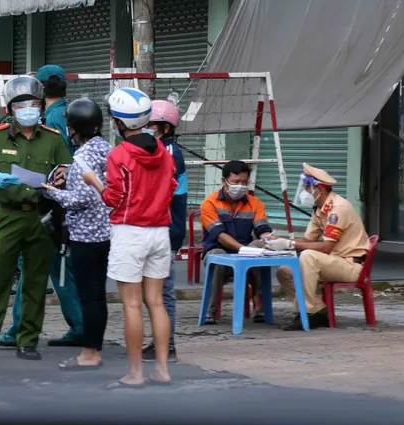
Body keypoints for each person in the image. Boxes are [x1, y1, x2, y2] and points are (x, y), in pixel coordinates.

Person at [0, 76, 73, 362]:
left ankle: (27, 341)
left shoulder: (52, 138)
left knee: (36, 282)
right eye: (22, 104)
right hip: (9, 216)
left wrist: (61, 178)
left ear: (41, 106)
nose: (29, 108)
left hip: (42, 215)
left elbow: (65, 170)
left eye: (34, 104)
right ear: (12, 109)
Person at [83, 87, 175, 388]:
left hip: (130, 232)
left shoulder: (119, 154)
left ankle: (135, 374)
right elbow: (171, 185)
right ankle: (161, 369)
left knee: (132, 305)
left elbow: (112, 198)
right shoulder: (163, 151)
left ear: (119, 122)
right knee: (157, 303)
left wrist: (93, 180)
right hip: (160, 232)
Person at [0, 64, 85, 349]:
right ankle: (80, 325)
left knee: (35, 265)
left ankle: (19, 329)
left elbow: (56, 163)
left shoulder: (52, 120)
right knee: (60, 268)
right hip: (62, 205)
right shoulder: (67, 113)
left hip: (46, 204)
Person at [42, 98, 111, 371]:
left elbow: (80, 199)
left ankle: (89, 353)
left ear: (72, 128)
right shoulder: (105, 148)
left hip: (86, 236)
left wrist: (50, 191)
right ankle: (95, 346)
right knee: (99, 295)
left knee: (89, 296)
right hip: (107, 232)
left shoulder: (82, 156)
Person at [270, 163, 371, 331]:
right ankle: (317, 310)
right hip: (335, 261)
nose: (305, 191)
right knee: (284, 271)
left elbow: (326, 248)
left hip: (351, 265)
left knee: (309, 256)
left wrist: (291, 244)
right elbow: (308, 239)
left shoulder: (338, 209)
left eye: (308, 187)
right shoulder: (320, 209)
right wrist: (277, 241)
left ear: (320, 189)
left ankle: (307, 313)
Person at [141, 98, 187, 363]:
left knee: (162, 292)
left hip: (166, 229)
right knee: (154, 292)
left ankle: (166, 345)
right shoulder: (164, 148)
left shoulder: (166, 152)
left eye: (151, 125)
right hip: (165, 227)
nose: (147, 129)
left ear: (165, 128)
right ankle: (161, 342)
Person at [198, 160, 272, 324]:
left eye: (244, 182)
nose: (240, 186)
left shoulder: (255, 203)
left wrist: (270, 239)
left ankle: (259, 306)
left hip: (246, 250)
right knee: (219, 256)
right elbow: (219, 235)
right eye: (235, 182)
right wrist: (242, 249)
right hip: (217, 248)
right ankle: (211, 310)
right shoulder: (209, 204)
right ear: (224, 181)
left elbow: (261, 228)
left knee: (259, 248)